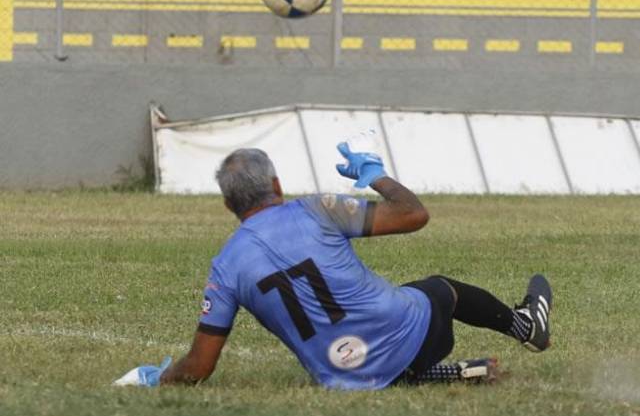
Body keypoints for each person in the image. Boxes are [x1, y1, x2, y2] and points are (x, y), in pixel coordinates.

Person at [115, 139, 553, 389]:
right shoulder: (315, 209)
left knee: (363, 340)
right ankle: (525, 327)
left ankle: (444, 374)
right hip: (417, 339)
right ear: (277, 185)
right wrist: (375, 175)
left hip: (345, 377)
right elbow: (413, 215)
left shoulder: (225, 266)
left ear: (228, 203)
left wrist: (159, 380)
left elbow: (200, 366)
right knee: (439, 289)